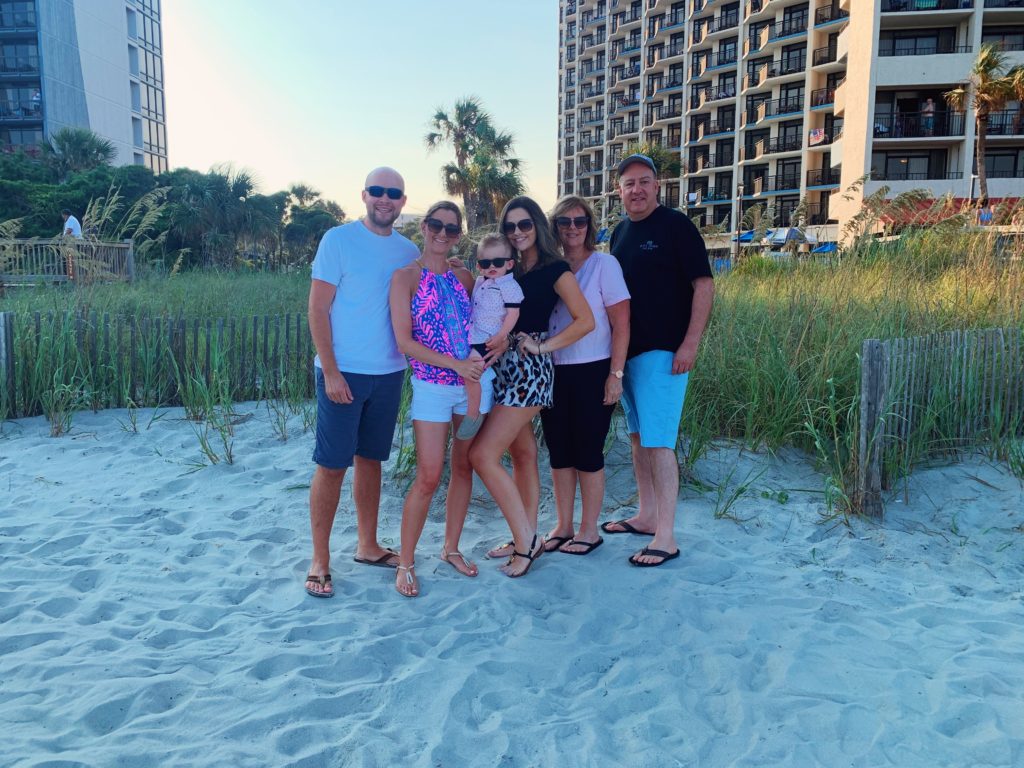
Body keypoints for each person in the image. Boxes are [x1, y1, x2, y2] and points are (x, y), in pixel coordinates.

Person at [304, 167, 419, 598]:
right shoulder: (338, 240)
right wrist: (331, 371)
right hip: (344, 372)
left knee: (372, 460)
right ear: (365, 195)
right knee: (332, 464)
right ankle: (320, 559)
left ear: (403, 201)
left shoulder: (409, 251)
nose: (384, 199)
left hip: (389, 373)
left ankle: (368, 545)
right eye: (377, 191)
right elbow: (317, 309)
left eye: (393, 193)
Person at [468, 196, 595, 577]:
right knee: (522, 455)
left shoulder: (556, 269)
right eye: (510, 226)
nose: (517, 232)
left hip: (528, 372)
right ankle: (524, 532)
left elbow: (584, 320)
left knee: (482, 455)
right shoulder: (506, 270)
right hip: (501, 369)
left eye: (524, 224)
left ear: (537, 225)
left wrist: (541, 345)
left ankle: (526, 543)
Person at [604, 154, 714, 567]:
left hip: (665, 353)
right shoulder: (619, 233)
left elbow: (703, 285)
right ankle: (647, 515)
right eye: (629, 183)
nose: (637, 189)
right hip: (628, 355)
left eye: (644, 181)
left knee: (660, 442)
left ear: (657, 186)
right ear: (619, 190)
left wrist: (690, 344)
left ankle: (666, 536)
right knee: (637, 437)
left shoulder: (676, 226)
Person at [387, 201, 495, 597]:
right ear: (424, 227)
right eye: (436, 225)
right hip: (432, 386)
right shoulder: (405, 277)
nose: (442, 234)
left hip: (469, 387)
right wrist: (455, 364)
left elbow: (482, 323)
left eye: (452, 229)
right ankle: (406, 561)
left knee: (463, 468)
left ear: (459, 235)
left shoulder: (464, 276)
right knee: (429, 475)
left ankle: (450, 547)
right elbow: (404, 342)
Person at [540, 196, 630, 556]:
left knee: (588, 451)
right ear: (555, 227)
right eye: (564, 222)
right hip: (553, 370)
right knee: (559, 451)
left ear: (589, 225)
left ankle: (590, 530)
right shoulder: (551, 266)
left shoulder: (604, 265)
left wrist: (616, 374)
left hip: (594, 368)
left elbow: (621, 324)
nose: (572, 228)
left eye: (579, 221)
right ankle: (564, 525)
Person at [456, 234, 523, 441]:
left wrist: (501, 336)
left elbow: (513, 313)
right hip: (474, 334)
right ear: (479, 265)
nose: (491, 266)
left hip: (488, 338)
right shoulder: (482, 280)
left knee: (471, 372)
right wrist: (461, 268)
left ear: (509, 263)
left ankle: (473, 414)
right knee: (471, 369)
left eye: (498, 262)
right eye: (486, 262)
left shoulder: (508, 285)